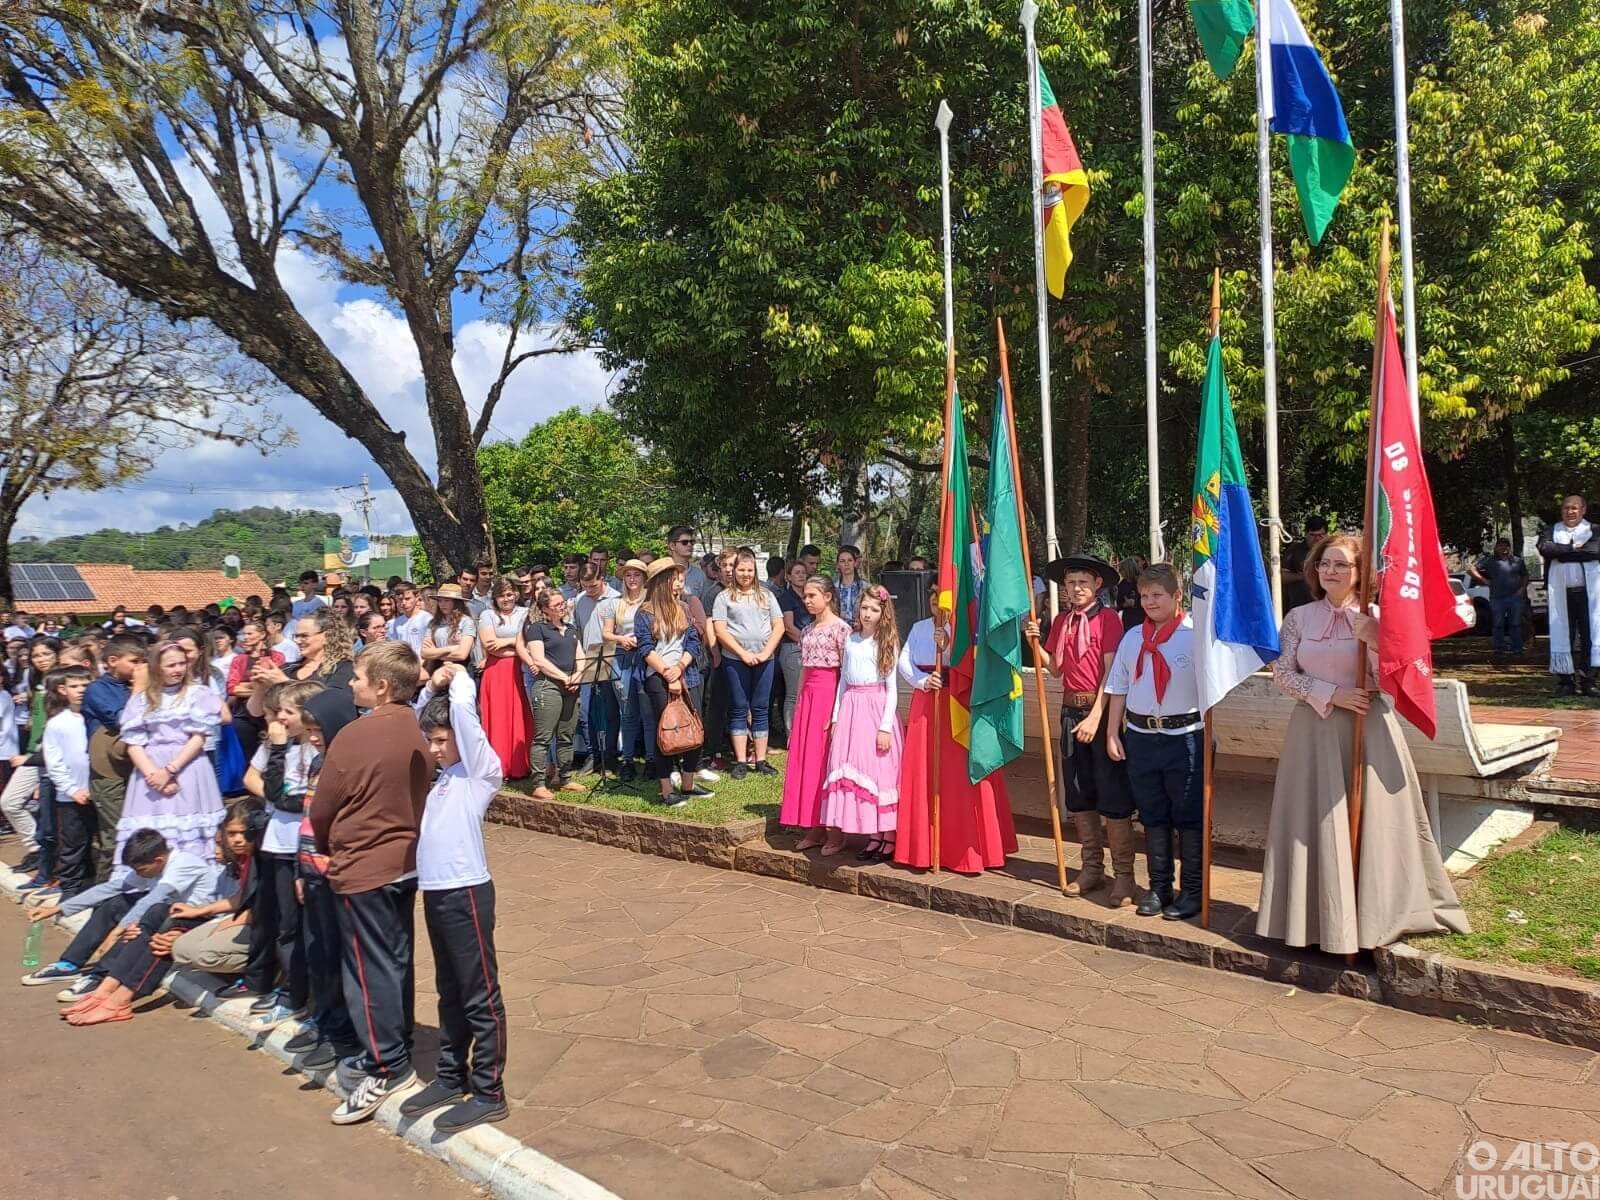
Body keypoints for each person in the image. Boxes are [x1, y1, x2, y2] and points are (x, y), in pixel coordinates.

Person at [1256, 533, 1470, 953]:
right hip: (1313, 731)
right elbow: (1282, 672)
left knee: (1373, 822)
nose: (1330, 571)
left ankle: (1373, 918)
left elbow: (1399, 674)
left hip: (1367, 728)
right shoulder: (1299, 617)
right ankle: (1311, 922)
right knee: (1310, 822)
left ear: (1360, 574)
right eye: (1324, 564)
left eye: (1341, 565)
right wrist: (1329, 693)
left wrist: (1376, 638)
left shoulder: (1380, 616)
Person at [309, 640, 432, 1125]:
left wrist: (324, 842)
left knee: (365, 970)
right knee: (394, 960)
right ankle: (394, 1044)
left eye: (358, 677)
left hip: (363, 865)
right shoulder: (416, 730)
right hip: (403, 861)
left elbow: (323, 808)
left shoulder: (356, 736)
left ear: (381, 687)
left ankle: (387, 1064)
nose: (352, 684)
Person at [400, 664, 509, 1133]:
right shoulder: (441, 778)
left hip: (467, 892)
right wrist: (427, 691)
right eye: (432, 741)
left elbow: (464, 713)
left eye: (443, 740)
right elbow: (418, 720)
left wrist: (456, 675)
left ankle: (489, 1090)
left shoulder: (481, 772)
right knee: (450, 990)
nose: (435, 748)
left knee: (480, 993)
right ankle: (450, 1074)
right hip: (438, 893)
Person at [1026, 555, 1138, 906]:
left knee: (1112, 793)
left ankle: (1124, 876)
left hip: (1101, 713)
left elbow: (1112, 674)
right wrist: (1035, 642)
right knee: (1078, 792)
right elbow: (1056, 668)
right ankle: (1092, 867)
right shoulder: (1062, 621)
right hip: (1070, 712)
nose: (1075, 589)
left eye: (1082, 583)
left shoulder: (1108, 620)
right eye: (1071, 583)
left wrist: (1096, 718)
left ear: (1097, 586)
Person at [22, 827, 224, 1007]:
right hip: (165, 912)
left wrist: (118, 931)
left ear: (158, 861)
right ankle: (69, 964)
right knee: (116, 903)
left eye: (141, 870)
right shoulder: (152, 865)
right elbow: (110, 888)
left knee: (139, 921)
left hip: (193, 920)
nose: (138, 874)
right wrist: (58, 909)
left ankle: (101, 976)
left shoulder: (183, 863)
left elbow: (155, 897)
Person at [894, 581, 1017, 874]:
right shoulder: (919, 627)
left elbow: (977, 664)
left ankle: (966, 847)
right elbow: (905, 661)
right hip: (928, 702)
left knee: (960, 776)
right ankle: (924, 846)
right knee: (926, 772)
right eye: (934, 596)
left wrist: (949, 646)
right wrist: (922, 681)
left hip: (959, 704)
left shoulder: (968, 629)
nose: (938, 601)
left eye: (943, 596)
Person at [1104, 564, 1204, 922]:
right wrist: (1113, 732)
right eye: (1144, 596)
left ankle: (1192, 890)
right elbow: (1118, 687)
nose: (1149, 602)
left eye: (1157, 595)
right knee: (1152, 814)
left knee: (1189, 817)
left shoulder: (1195, 636)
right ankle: (1159, 886)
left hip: (1185, 736)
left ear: (1178, 596)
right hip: (1143, 737)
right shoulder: (1133, 638)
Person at [280, 688, 363, 1073]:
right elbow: (307, 821)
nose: (313, 737)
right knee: (319, 956)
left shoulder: (349, 765)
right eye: (309, 730)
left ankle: (344, 1035)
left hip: (337, 876)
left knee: (338, 959)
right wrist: (301, 869)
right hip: (312, 872)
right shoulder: (317, 763)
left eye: (319, 729)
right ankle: (326, 1023)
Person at [238, 679, 322, 1027]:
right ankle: (289, 986)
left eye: (288, 711)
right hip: (275, 841)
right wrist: (276, 749)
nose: (280, 718)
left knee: (293, 927)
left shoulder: (312, 750)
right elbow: (271, 792)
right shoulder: (281, 745)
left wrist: (277, 752)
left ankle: (296, 995)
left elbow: (283, 795)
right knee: (278, 921)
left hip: (296, 847)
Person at [117, 640, 225, 866]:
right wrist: (153, 776)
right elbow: (134, 742)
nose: (178, 670)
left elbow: (199, 737)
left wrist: (171, 769)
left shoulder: (198, 693)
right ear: (156, 667)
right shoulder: (142, 699)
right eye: (171, 665)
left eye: (182, 663)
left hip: (189, 765)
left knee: (190, 825)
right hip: (150, 768)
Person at [818, 587, 903, 858]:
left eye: (874, 610)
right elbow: (843, 681)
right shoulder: (851, 640)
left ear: (883, 613)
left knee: (879, 770)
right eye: (864, 608)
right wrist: (835, 716)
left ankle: (888, 833)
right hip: (852, 708)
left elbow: (892, 688)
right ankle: (872, 833)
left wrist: (885, 726)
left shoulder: (885, 642)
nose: (867, 614)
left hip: (875, 707)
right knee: (855, 766)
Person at [636, 559, 713, 805]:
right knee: (667, 731)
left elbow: (692, 641)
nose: (677, 581)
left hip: (686, 673)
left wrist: (679, 668)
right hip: (658, 677)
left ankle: (688, 785)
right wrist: (667, 674)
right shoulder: (645, 612)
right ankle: (667, 790)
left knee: (694, 727)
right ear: (661, 582)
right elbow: (646, 648)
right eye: (672, 576)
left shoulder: (684, 608)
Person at [782, 576, 849, 848]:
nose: (807, 600)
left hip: (829, 693)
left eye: (812, 596)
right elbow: (803, 672)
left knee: (825, 759)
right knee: (807, 759)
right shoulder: (807, 630)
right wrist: (798, 704)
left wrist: (837, 712)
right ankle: (812, 826)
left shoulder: (841, 629)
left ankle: (835, 830)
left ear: (828, 597)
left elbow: (846, 673)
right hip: (809, 696)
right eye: (805, 596)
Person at [712, 549, 785, 779]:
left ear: (755, 571)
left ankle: (761, 760)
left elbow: (779, 626)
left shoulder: (766, 595)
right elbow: (720, 630)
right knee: (739, 707)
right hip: (735, 660)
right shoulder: (724, 597)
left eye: (749, 570)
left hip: (765, 659)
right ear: (733, 571)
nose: (745, 574)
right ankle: (741, 761)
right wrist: (742, 653)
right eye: (741, 570)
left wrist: (765, 652)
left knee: (761, 707)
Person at [169, 803, 260, 984]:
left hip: (264, 924)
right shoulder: (242, 859)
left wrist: (227, 923)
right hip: (246, 917)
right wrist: (200, 911)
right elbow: (243, 897)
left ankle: (264, 970)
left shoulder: (266, 859)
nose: (238, 840)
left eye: (243, 833)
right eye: (231, 834)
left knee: (204, 955)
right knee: (181, 948)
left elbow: (265, 905)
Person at [84, 635, 146, 883]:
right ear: (112, 661)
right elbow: (124, 720)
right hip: (109, 773)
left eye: (143, 661)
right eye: (134, 661)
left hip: (140, 769)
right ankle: (104, 893)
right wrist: (140, 689)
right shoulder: (98, 689)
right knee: (116, 835)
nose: (140, 667)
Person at [517, 588, 585, 799]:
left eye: (562, 603)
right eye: (556, 605)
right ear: (545, 609)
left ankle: (565, 777)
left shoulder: (571, 629)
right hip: (548, 685)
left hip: (570, 686)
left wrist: (578, 675)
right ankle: (538, 782)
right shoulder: (538, 629)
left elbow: (580, 655)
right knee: (543, 736)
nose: (562, 607)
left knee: (566, 734)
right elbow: (538, 660)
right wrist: (563, 677)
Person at [42, 665, 95, 899]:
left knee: (102, 842)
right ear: (63, 690)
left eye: (85, 685)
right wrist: (72, 789)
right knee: (74, 844)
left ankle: (94, 884)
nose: (81, 690)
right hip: (72, 796)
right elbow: (54, 762)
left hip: (100, 791)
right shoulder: (57, 723)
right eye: (74, 686)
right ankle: (71, 888)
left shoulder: (98, 717)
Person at [1539, 494, 1600, 696]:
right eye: (1566, 508)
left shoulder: (1594, 530)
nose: (1570, 512)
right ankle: (1566, 681)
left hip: (1588, 594)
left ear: (1583, 510)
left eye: (1574, 508)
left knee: (1590, 636)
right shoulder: (1552, 530)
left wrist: (1562, 553)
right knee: (1564, 634)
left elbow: (1594, 551)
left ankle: (1588, 680)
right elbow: (1546, 548)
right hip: (1561, 593)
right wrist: (1575, 549)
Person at [602, 559, 654, 781]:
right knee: (628, 711)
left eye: (637, 575)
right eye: (628, 576)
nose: (632, 580)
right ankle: (628, 760)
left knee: (648, 712)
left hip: (645, 658)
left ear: (644, 578)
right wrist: (621, 638)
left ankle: (652, 759)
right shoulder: (615, 603)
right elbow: (606, 633)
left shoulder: (650, 602)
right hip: (622, 658)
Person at [476, 577, 532, 780]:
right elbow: (490, 646)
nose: (506, 599)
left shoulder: (526, 613)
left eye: (509, 594)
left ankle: (521, 764)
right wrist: (517, 646)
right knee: (499, 717)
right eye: (501, 595)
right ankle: (500, 765)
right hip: (497, 672)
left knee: (520, 714)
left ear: (516, 594)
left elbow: (529, 642)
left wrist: (508, 643)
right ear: (495, 598)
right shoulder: (487, 615)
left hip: (521, 669)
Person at [574, 564, 622, 774]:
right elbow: (577, 630)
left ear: (602, 578)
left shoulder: (616, 599)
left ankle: (610, 755)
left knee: (610, 709)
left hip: (610, 657)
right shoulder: (580, 600)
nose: (590, 591)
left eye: (593, 586)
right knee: (586, 710)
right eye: (585, 587)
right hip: (587, 659)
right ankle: (593, 754)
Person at [1469, 537, 1530, 657]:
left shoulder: (1517, 561)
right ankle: (1499, 650)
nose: (1504, 548)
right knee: (1498, 624)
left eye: (1506, 546)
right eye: (1501, 546)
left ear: (1510, 548)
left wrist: (1522, 589)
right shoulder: (1490, 561)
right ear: (1496, 548)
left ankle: (1517, 649)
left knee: (1515, 624)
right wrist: (1484, 580)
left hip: (1515, 597)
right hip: (1497, 598)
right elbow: (1471, 569)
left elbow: (1525, 575)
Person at [421, 584, 476, 674]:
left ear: (456, 602)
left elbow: (462, 654)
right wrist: (451, 648)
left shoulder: (466, 622)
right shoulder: (433, 623)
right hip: (436, 669)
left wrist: (434, 653)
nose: (442, 604)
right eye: (440, 601)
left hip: (460, 669)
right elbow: (424, 653)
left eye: (447, 600)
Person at [1281, 516, 1329, 614]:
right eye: (1313, 535)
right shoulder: (1294, 550)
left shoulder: (1333, 550)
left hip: (1327, 607)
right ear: (1306, 534)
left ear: (1327, 535)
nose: (1317, 539)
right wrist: (1303, 576)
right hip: (1299, 607)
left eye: (1321, 535)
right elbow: (1281, 577)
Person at [386, 582, 432, 655]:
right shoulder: (394, 623)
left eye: (407, 599)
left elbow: (430, 648)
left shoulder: (427, 619)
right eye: (400, 599)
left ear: (416, 597)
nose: (403, 603)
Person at [667, 526, 707, 594]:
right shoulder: (662, 572)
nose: (689, 545)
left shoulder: (700, 574)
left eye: (692, 542)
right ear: (672, 546)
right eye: (684, 542)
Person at [835, 545, 867, 627]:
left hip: (860, 631)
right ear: (838, 564)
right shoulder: (833, 588)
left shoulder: (865, 587)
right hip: (838, 630)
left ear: (855, 563)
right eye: (842, 561)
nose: (846, 564)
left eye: (850, 560)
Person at [1114, 557, 1145, 631]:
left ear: (1128, 569)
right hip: (1129, 620)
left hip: (1143, 618)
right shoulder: (1122, 584)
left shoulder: (1142, 581)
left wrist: (1135, 602)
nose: (1120, 571)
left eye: (1122, 569)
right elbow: (1119, 602)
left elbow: (1150, 600)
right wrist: (1122, 605)